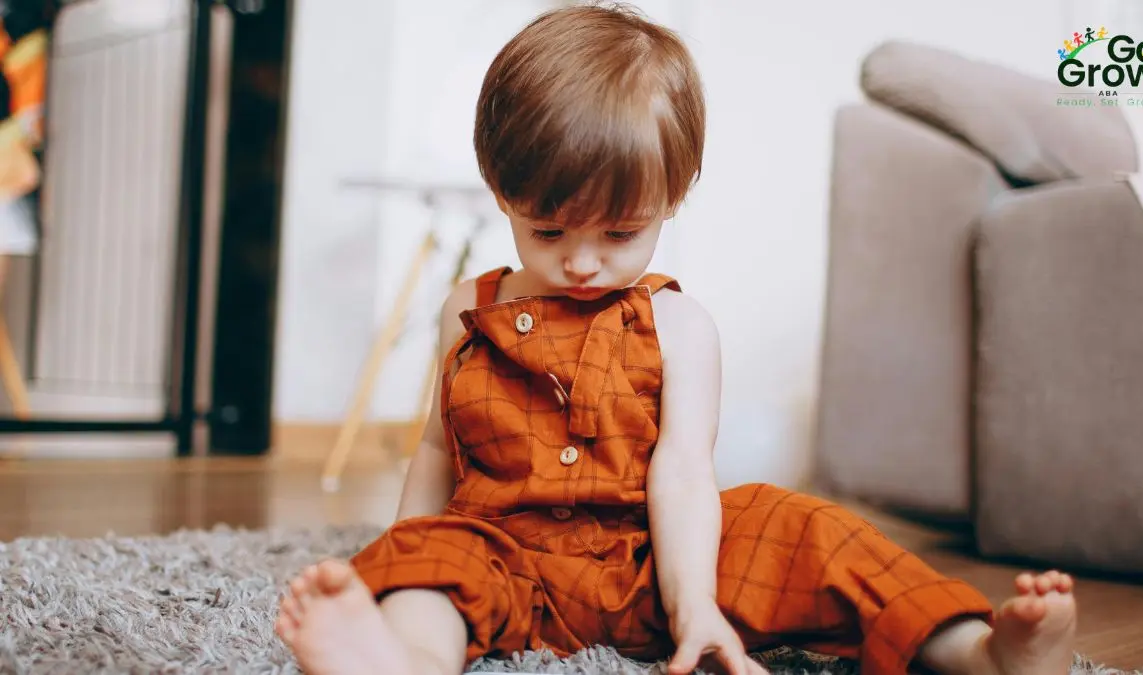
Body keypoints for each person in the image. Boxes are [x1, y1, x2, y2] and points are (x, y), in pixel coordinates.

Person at [274, 4, 1077, 674]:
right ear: (500, 190)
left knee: (807, 529)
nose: (582, 262)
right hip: (504, 556)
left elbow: (684, 473)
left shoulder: (679, 326)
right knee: (433, 567)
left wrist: (695, 607)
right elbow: (437, 453)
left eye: (621, 232)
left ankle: (975, 649)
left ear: (674, 196)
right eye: (547, 228)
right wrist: (400, 559)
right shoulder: (465, 310)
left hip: (652, 564)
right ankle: (402, 658)